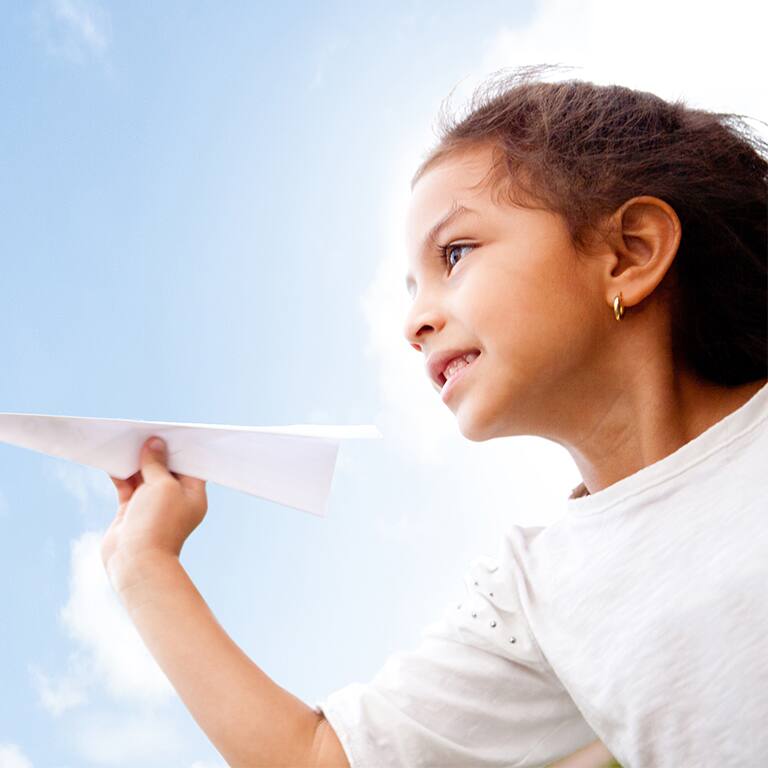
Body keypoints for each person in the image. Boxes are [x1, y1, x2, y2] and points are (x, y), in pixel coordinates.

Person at [103, 65, 768, 767]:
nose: (415, 320)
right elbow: (319, 758)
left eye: (456, 253)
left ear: (628, 254)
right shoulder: (534, 593)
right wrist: (143, 565)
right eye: (413, 286)